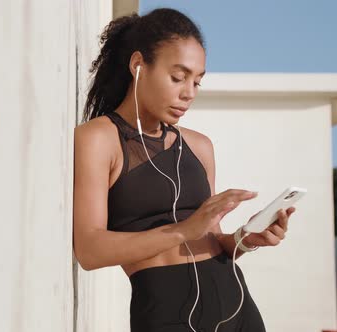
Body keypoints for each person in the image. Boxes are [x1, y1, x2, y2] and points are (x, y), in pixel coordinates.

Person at [72, 8, 296, 332]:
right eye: (178, 77)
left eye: (197, 81)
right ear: (138, 65)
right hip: (165, 315)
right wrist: (182, 231)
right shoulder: (98, 139)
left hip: (238, 310)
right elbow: (90, 250)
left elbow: (215, 240)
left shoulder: (199, 146)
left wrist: (248, 238)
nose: (188, 92)